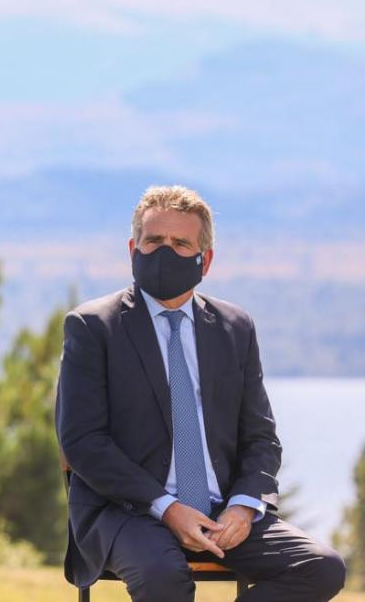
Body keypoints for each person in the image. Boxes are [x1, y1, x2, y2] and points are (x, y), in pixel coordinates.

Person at [56, 185, 345, 601]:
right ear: (132, 249)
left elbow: (260, 437)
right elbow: (83, 443)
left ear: (204, 259)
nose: (164, 252)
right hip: (127, 511)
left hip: (221, 511)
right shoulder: (93, 327)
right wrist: (167, 508)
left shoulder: (235, 328)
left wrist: (244, 507)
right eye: (153, 241)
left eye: (180, 243)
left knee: (320, 567)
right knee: (163, 577)